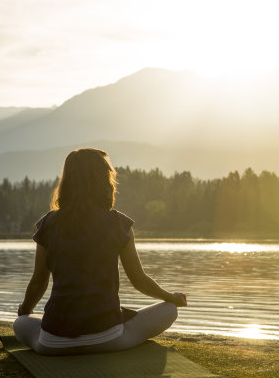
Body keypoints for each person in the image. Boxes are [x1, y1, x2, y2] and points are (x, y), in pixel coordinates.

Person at [13, 148, 187, 355]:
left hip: (54, 343)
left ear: (67, 181)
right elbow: (139, 279)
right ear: (105, 180)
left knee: (21, 323)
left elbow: (38, 282)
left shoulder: (48, 224)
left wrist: (25, 310)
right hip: (108, 338)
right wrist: (171, 297)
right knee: (169, 310)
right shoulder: (119, 224)